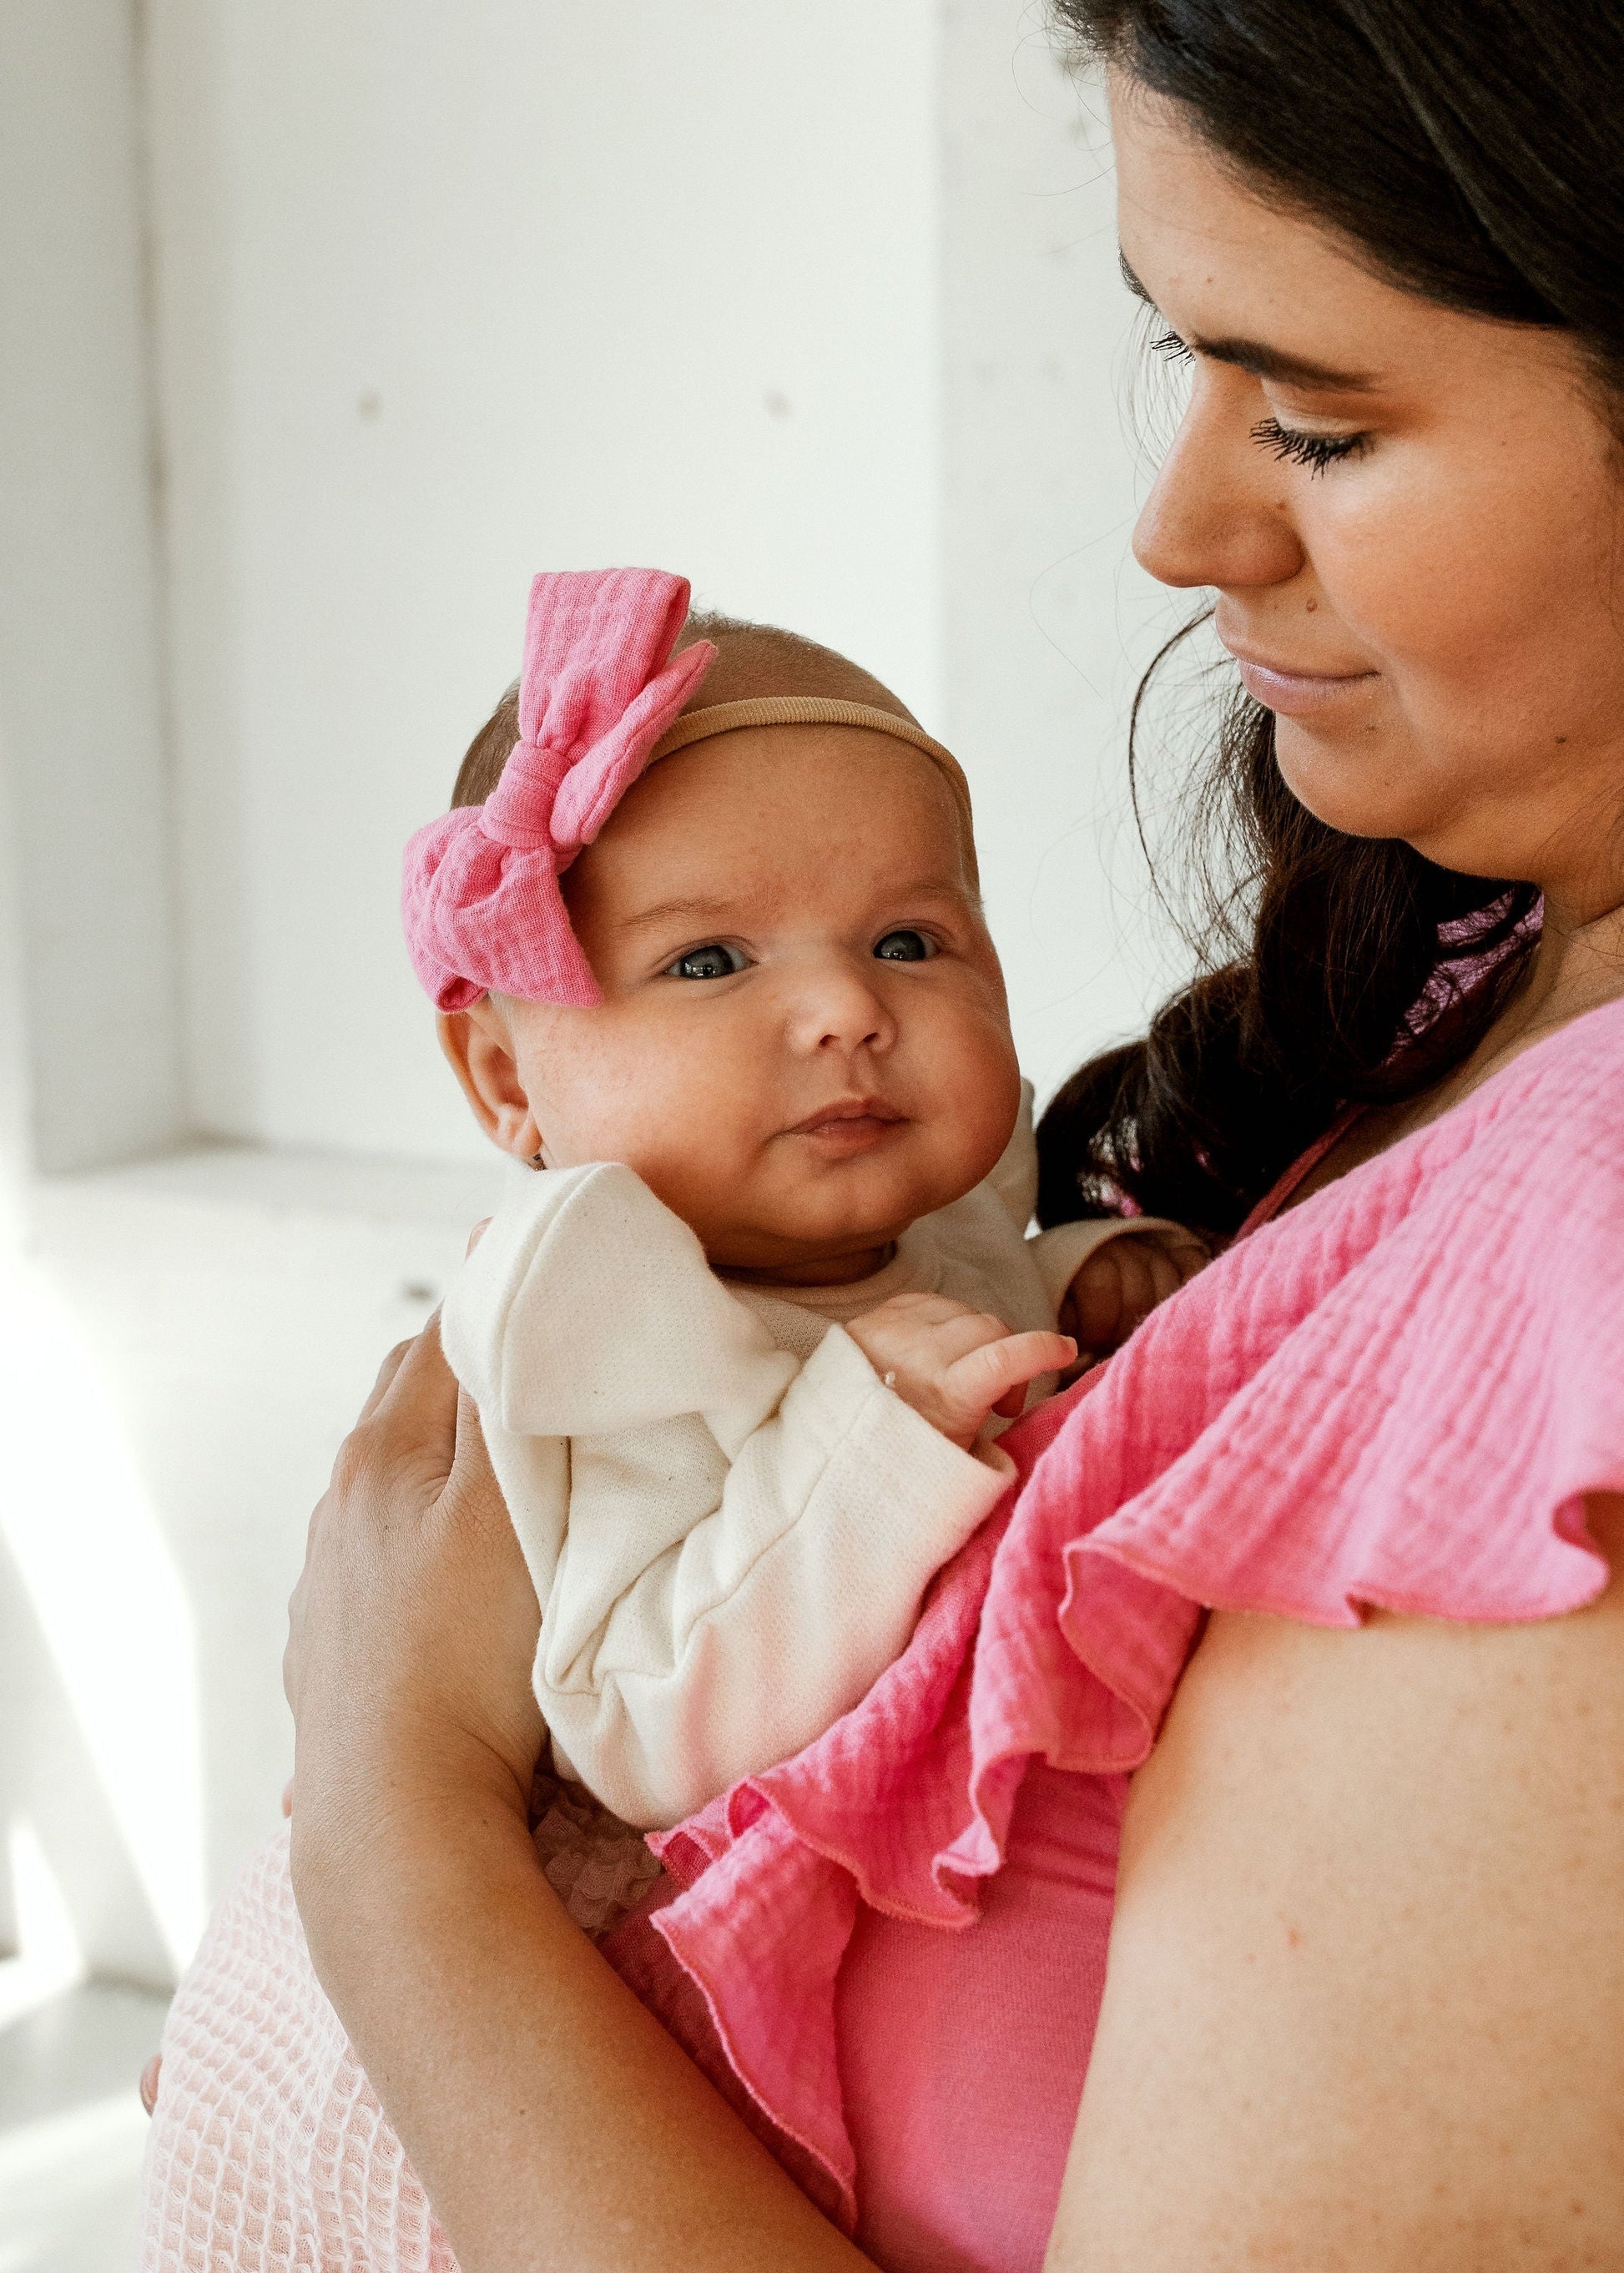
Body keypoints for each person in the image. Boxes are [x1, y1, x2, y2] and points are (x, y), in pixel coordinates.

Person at [154, 0, 1624, 2265]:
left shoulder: (1567, 1261)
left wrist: (388, 1833)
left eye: (1316, 419)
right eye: (1182, 361)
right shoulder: (1464, 962)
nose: (1171, 525)